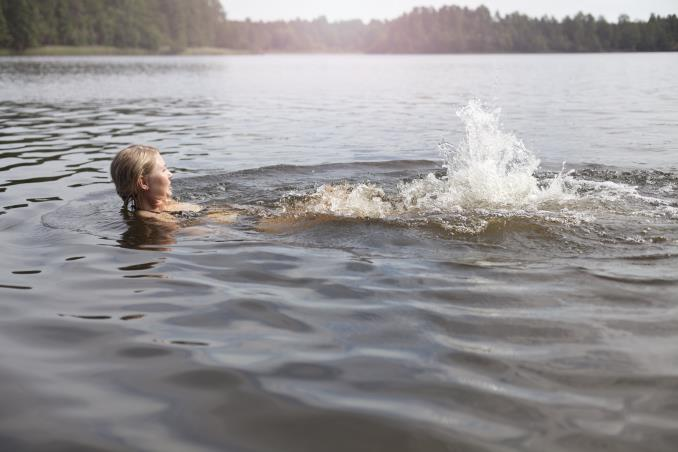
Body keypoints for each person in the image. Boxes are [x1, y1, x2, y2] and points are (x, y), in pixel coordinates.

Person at [110, 144, 206, 221]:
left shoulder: (166, 204)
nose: (171, 174)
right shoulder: (155, 219)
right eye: (164, 170)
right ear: (143, 183)